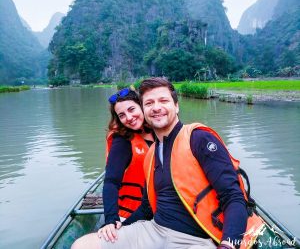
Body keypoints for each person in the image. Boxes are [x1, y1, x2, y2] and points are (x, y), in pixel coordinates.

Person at [72, 78, 264, 249]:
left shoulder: (198, 139)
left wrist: (229, 244)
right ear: (145, 110)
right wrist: (117, 224)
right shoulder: (152, 153)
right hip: (155, 230)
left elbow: (233, 197)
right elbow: (147, 207)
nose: (156, 107)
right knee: (82, 245)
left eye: (163, 101)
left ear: (177, 106)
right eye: (149, 103)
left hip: (196, 239)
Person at [101, 87, 154, 235]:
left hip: (158, 210)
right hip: (130, 215)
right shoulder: (122, 141)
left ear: (141, 106)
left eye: (132, 109)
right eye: (122, 115)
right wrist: (111, 219)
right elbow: (111, 182)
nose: (129, 117)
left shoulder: (159, 132)